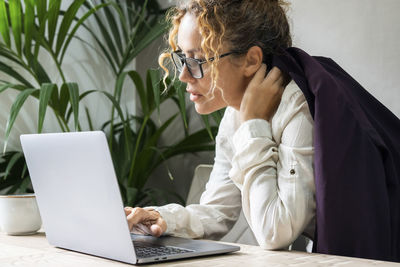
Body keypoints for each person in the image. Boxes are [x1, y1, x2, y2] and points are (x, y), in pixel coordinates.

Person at [124, 0, 316, 250]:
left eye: (198, 60)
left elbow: (274, 232)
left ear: (251, 60)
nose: (183, 75)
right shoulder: (234, 115)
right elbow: (218, 211)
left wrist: (253, 124)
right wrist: (160, 218)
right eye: (182, 57)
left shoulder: (298, 109)